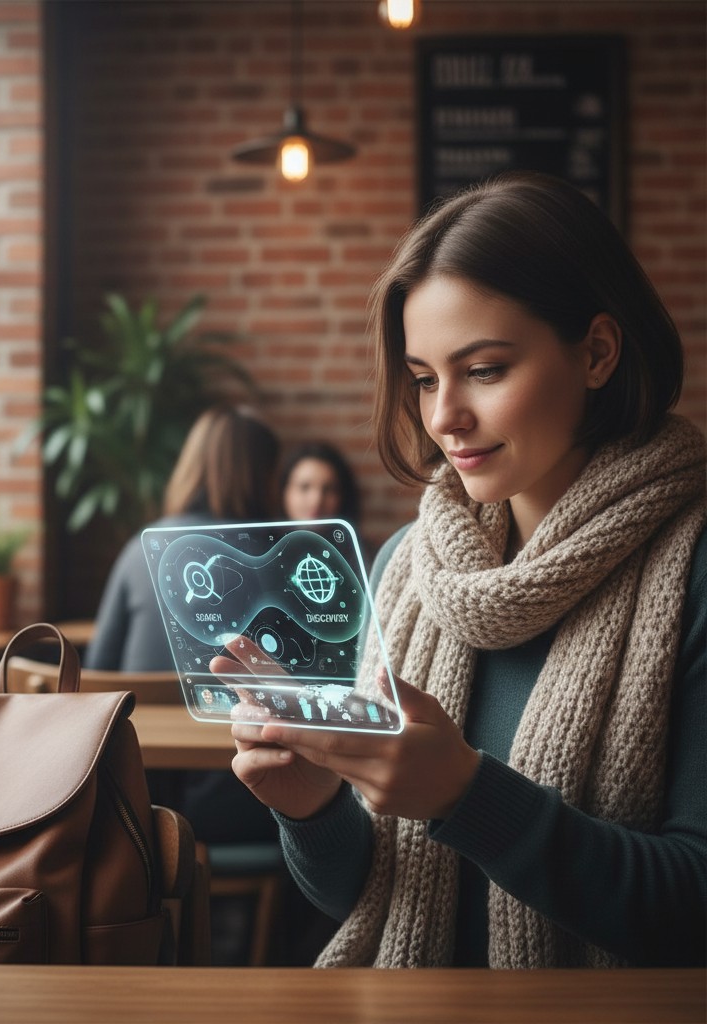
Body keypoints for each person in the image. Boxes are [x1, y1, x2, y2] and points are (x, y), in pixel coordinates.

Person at [217, 171, 706, 968]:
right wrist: (312, 808)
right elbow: (367, 897)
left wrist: (467, 797)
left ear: (597, 353)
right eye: (423, 379)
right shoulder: (405, 569)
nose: (443, 417)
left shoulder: (694, 568)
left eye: (483, 370)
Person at [86, 404, 282, 843]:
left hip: (132, 809)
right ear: (263, 474)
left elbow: (98, 672)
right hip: (241, 799)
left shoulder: (142, 547)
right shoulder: (272, 557)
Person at [280, 442, 377, 568]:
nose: (317, 500)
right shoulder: (261, 549)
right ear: (285, 492)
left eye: (329, 489)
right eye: (304, 487)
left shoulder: (365, 557)